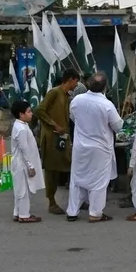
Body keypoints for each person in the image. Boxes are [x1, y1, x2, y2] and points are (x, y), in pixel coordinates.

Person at [66, 72, 123, 223]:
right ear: (105, 87)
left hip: (80, 147)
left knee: (77, 179)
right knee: (99, 182)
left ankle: (72, 211)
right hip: (100, 149)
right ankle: (95, 213)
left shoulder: (77, 100)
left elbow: (73, 117)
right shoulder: (107, 105)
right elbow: (118, 126)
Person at [36, 68, 80, 215]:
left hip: (62, 138)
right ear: (71, 79)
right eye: (76, 81)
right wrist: (54, 125)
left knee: (67, 166)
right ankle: (52, 202)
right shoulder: (54, 92)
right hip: (51, 138)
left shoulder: (67, 95)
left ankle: (78, 199)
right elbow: (40, 110)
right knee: (51, 170)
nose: (76, 85)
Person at [10, 100, 44, 223]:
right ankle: (24, 214)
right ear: (21, 114)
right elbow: (24, 149)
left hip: (20, 162)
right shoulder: (22, 129)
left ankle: (17, 212)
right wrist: (30, 166)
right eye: (29, 112)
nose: (31, 114)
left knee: (20, 189)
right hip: (22, 163)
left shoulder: (20, 125)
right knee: (24, 190)